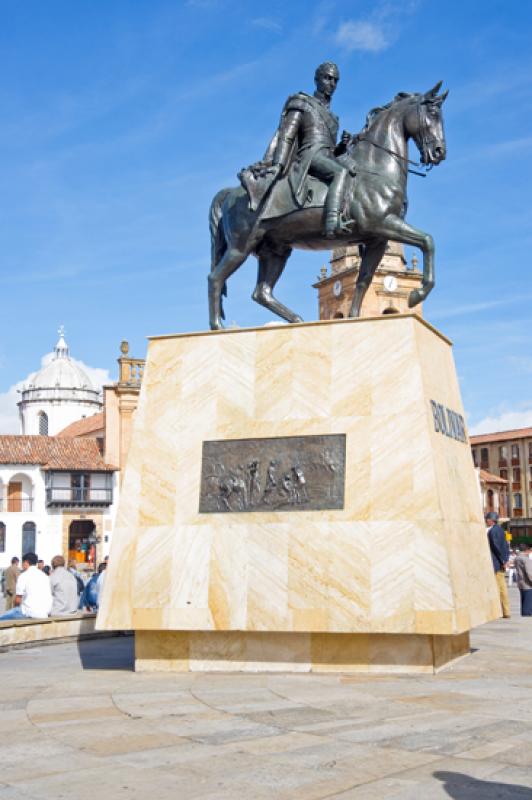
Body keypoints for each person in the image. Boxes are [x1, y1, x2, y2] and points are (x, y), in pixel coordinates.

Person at [0, 552, 52, 620]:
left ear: (26, 562)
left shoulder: (24, 576)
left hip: (30, 612)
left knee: (3, 618)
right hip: (45, 613)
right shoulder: (44, 576)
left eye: (22, 563)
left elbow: (18, 600)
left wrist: (16, 608)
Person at [486, 512, 511, 618]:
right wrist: (505, 559)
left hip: (496, 563)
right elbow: (505, 545)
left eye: (487, 519)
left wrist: (502, 561)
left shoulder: (493, 531)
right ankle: (506, 611)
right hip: (500, 562)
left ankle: (499, 612)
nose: (485, 520)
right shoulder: (500, 529)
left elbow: (496, 547)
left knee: (497, 588)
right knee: (502, 588)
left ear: (491, 520)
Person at [514, 543, 532, 616]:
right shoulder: (526, 559)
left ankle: (524, 615)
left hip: (521, 582)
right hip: (528, 584)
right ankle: (526, 616)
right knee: (528, 603)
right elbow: (530, 572)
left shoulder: (517, 558)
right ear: (527, 550)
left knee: (524, 601)